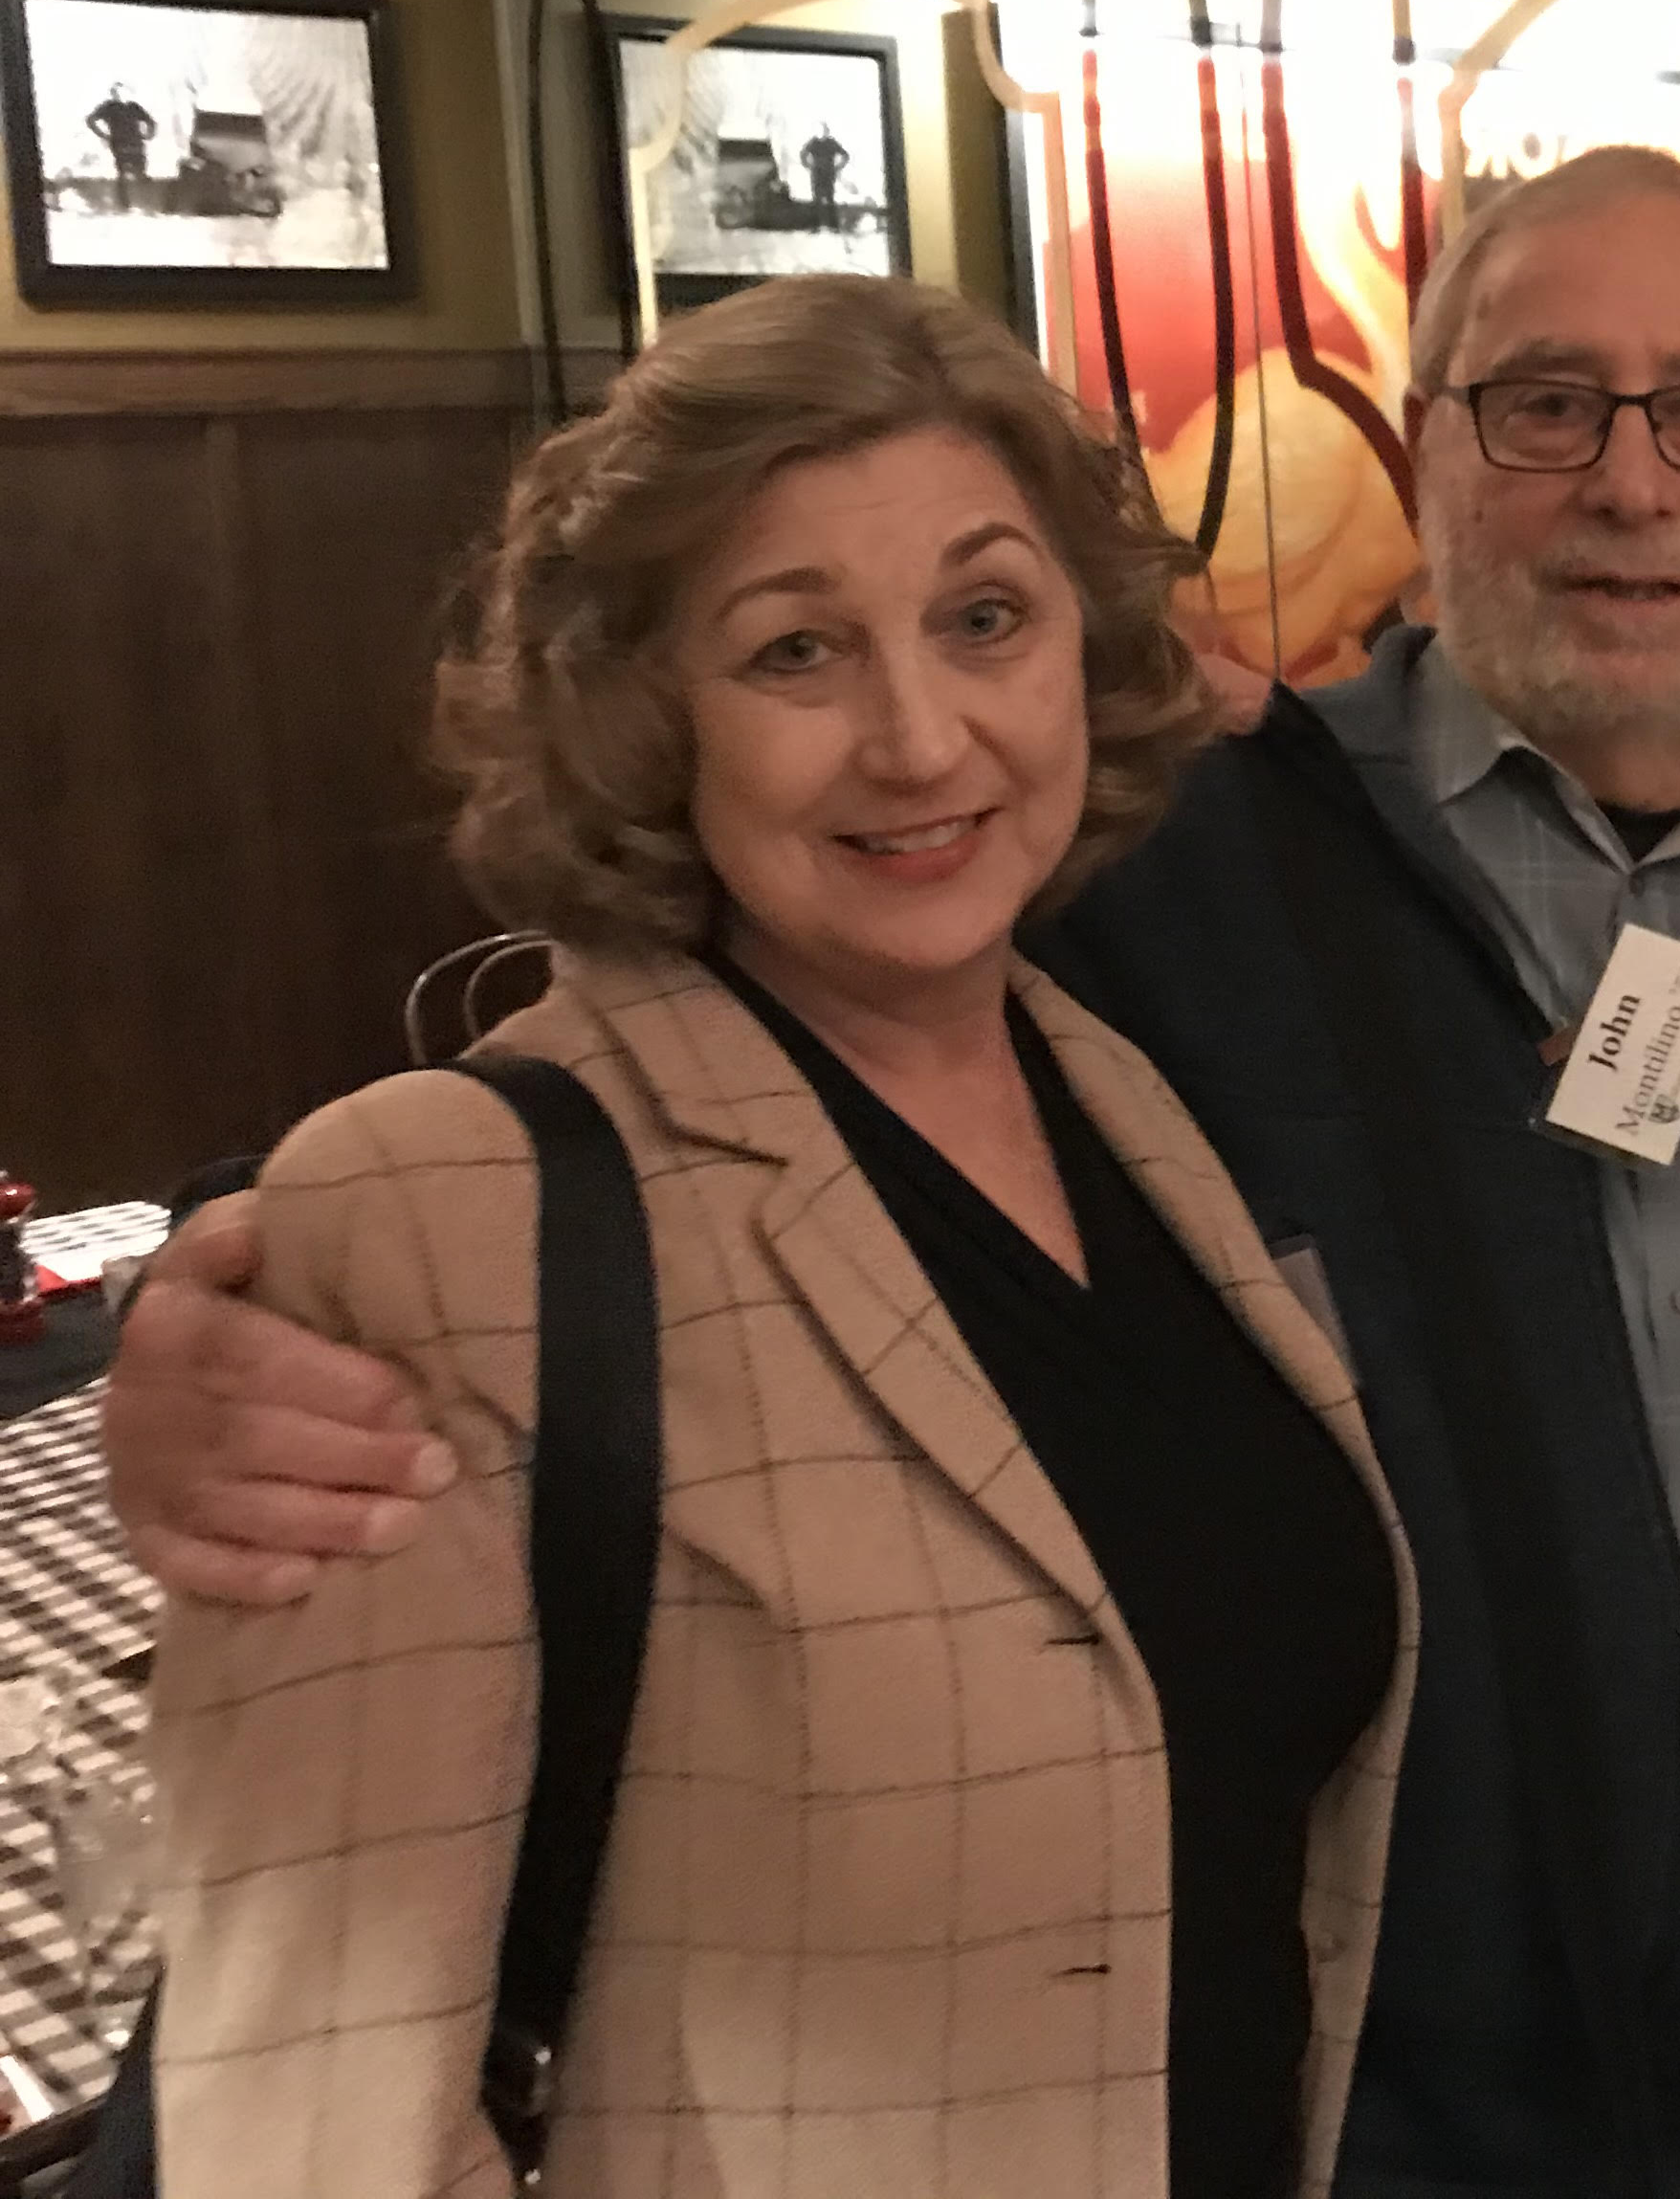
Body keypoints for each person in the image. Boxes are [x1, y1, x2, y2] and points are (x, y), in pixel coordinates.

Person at [111, 147, 1680, 2197]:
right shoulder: (1161, 879)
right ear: (1429, 441)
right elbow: (686, 1048)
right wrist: (219, 1295)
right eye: (1549, 401)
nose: (1635, 481)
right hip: (1352, 2103)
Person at [139, 274, 1416, 2197]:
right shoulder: (444, 1220)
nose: (919, 740)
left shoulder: (1127, 1103)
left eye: (984, 620)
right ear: (650, 708)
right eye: (797, 653)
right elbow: (301, 2127)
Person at [87, 84, 156, 207]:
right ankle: (126, 204)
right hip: (121, 142)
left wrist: (149, 134)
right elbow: (90, 120)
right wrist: (102, 134)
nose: (119, 95)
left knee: (137, 170)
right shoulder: (110, 107)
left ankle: (141, 202)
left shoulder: (132, 107)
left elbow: (151, 121)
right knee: (125, 171)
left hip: (134, 142)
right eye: (116, 93)